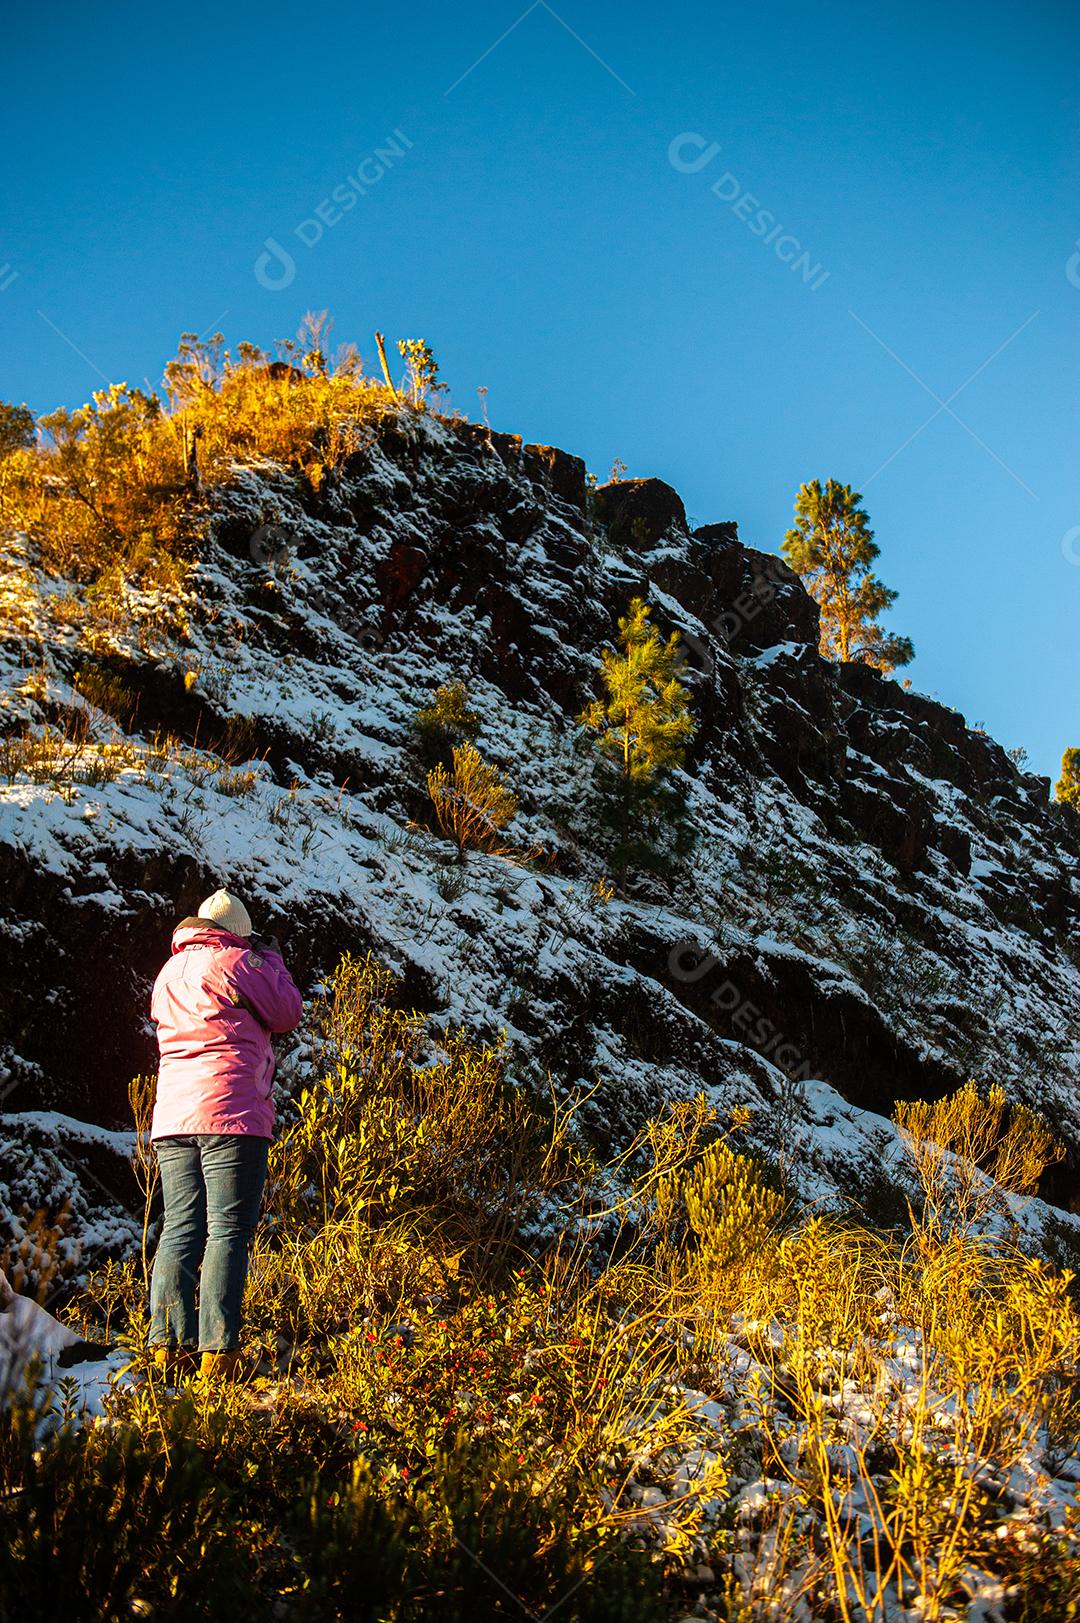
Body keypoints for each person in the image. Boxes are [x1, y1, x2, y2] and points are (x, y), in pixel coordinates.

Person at [147, 888, 303, 1381]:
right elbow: (286, 1012)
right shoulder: (242, 961)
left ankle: (167, 1347)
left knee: (179, 1228)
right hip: (232, 1114)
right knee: (228, 1231)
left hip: (173, 1118)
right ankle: (218, 1354)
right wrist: (271, 957)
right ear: (240, 933)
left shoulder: (168, 972)